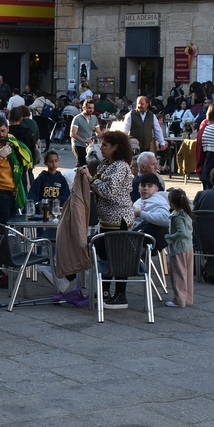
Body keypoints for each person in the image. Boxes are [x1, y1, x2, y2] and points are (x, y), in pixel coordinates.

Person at [77, 130, 135, 309]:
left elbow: (108, 191)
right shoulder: (106, 164)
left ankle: (121, 296)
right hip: (106, 219)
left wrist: (89, 177)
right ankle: (105, 292)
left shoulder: (120, 166)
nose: (100, 148)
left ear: (115, 147)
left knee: (118, 258)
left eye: (104, 145)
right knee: (104, 256)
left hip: (119, 219)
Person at [0, 115, 33, 224]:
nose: (1, 134)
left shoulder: (12, 140)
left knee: (13, 229)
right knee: (3, 229)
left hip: (15, 192)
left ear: (8, 128)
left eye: (3, 131)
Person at [165, 188, 194, 308]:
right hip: (188, 246)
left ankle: (179, 300)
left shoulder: (177, 216)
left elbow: (181, 232)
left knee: (178, 274)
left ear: (171, 204)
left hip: (178, 248)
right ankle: (187, 299)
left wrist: (169, 237)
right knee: (188, 274)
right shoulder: (188, 210)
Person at [71, 101, 102, 168]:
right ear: (84, 108)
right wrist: (84, 141)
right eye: (89, 108)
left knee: (90, 164)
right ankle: (76, 173)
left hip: (89, 145)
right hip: (78, 144)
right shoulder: (77, 118)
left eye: (93, 108)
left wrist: (105, 137)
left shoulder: (94, 118)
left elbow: (98, 132)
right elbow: (73, 134)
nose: (91, 110)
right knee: (82, 163)